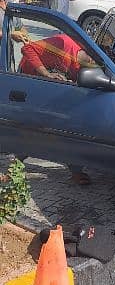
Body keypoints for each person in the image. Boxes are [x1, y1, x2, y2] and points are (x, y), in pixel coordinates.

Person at [19, 33, 96, 185]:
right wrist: (46, 74)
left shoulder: (79, 68)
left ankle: (76, 172)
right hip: (30, 81)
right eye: (95, 62)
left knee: (62, 129)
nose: (94, 66)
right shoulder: (64, 43)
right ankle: (15, 166)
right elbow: (27, 49)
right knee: (35, 127)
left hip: (50, 90)